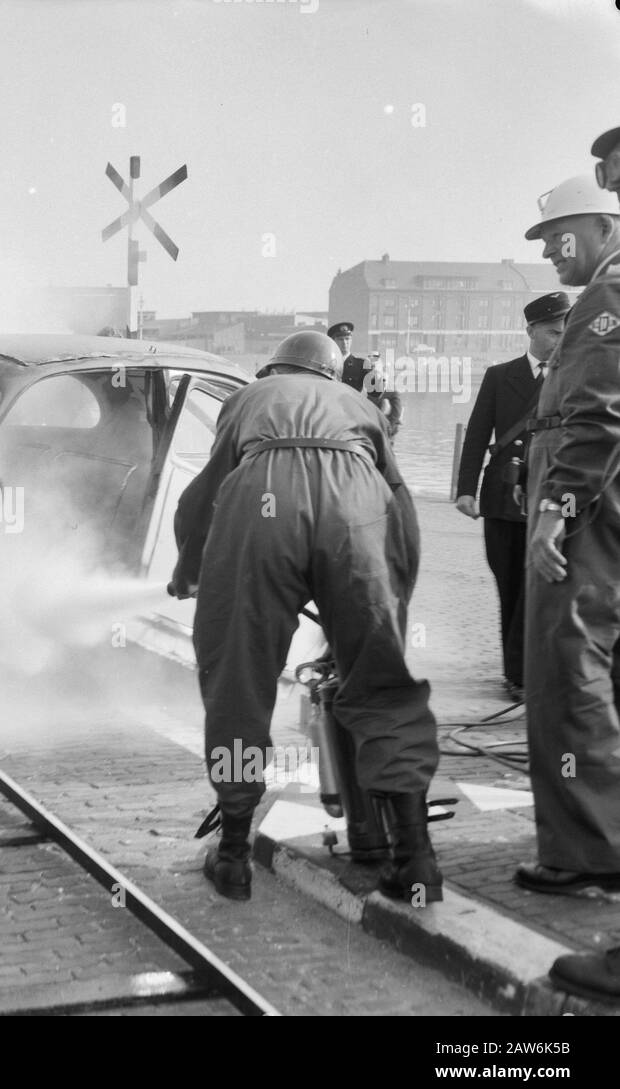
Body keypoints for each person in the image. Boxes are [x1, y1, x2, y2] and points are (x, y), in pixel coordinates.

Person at [169, 330, 441, 905]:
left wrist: (188, 568)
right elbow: (401, 508)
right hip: (357, 511)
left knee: (238, 683)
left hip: (263, 503)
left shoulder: (247, 398)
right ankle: (415, 861)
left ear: (274, 369)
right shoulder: (360, 406)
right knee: (384, 687)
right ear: (331, 374)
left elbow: (204, 493)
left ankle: (236, 853)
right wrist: (391, 605)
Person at [516, 173, 620, 900]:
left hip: (584, 511)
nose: (552, 250)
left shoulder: (607, 299)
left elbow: (596, 415)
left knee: (566, 667)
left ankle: (586, 851)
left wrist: (557, 504)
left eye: (563, 234)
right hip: (598, 503)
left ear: (605, 228)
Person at [454, 292, 570, 702]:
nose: (561, 339)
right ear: (532, 331)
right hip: (503, 498)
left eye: (566, 332)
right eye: (554, 332)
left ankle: (527, 674)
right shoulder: (499, 375)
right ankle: (515, 673)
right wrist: (465, 490)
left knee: (542, 587)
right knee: (509, 584)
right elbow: (477, 434)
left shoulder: (574, 376)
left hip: (551, 496)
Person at [328, 321, 401, 437]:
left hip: (351, 419)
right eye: (340, 339)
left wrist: (390, 427)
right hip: (327, 418)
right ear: (333, 341)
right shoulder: (325, 365)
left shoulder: (361, 365)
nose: (344, 343)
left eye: (347, 339)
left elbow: (387, 395)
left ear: (351, 340)